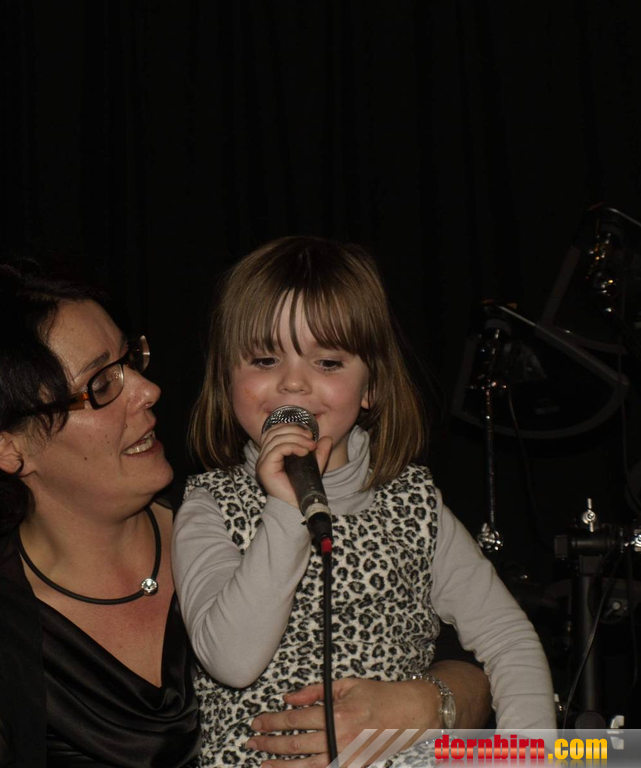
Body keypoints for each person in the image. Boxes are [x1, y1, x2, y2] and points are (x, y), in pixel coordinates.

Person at [173, 236, 557, 767]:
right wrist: (285, 508)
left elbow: (507, 637)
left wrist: (532, 754)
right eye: (264, 358)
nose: (293, 382)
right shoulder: (209, 506)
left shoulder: (414, 505)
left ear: (370, 386)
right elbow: (231, 661)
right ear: (226, 377)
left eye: (328, 362)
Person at [0, 263, 200, 767]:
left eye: (129, 359)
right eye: (101, 383)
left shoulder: (237, 522)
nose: (147, 390)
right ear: (8, 448)